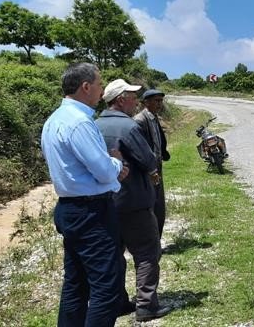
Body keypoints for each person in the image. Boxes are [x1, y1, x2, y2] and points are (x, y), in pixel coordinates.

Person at [41, 62, 129, 326]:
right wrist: (116, 163)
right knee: (107, 287)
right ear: (86, 86)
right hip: (91, 212)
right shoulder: (80, 122)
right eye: (100, 85)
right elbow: (103, 171)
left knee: (76, 283)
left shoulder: (54, 120)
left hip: (70, 209)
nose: (102, 91)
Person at [95, 79, 171, 322]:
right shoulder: (128, 127)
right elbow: (148, 159)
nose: (136, 101)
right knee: (147, 251)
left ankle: (117, 301)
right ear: (120, 100)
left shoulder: (94, 125)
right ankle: (146, 305)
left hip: (104, 202)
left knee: (114, 254)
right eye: (132, 96)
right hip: (133, 200)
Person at [133, 89, 170, 238]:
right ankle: (150, 240)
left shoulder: (153, 118)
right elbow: (139, 149)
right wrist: (149, 169)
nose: (160, 104)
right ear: (146, 102)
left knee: (159, 206)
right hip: (148, 169)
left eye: (161, 101)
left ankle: (156, 240)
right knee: (151, 205)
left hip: (156, 166)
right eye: (156, 101)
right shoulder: (140, 121)